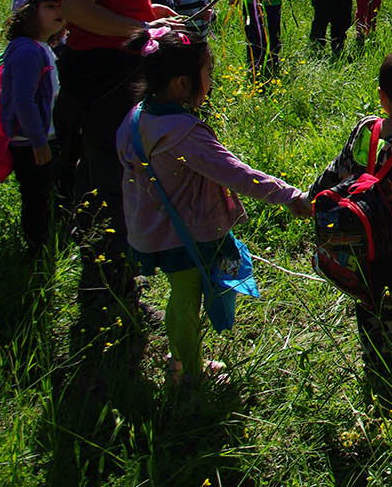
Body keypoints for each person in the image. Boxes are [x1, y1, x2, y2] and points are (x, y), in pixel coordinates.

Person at [116, 27, 312, 388]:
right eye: (207, 73)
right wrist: (292, 197)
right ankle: (189, 372)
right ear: (180, 83)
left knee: (181, 292)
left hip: (150, 227)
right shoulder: (183, 133)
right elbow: (236, 174)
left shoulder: (137, 115)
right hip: (183, 235)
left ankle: (181, 361)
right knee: (186, 299)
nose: (211, 79)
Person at [52, 0, 179, 332]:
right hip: (105, 76)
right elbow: (78, 9)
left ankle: (109, 287)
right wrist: (140, 28)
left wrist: (148, 12)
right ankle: (108, 298)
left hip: (115, 65)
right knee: (114, 186)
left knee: (115, 181)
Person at [308, 49, 392, 396]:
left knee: (367, 305)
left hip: (359, 242)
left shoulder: (367, 128)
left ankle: (372, 365)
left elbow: (337, 169)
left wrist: (312, 197)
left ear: (382, 95)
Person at [0, 0, 64, 254]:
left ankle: (49, 239)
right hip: (29, 140)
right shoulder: (27, 50)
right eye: (50, 6)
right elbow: (23, 100)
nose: (59, 10)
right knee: (36, 196)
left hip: (41, 136)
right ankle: (37, 250)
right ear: (27, 14)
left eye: (61, 5)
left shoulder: (41, 46)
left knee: (47, 192)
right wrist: (38, 141)